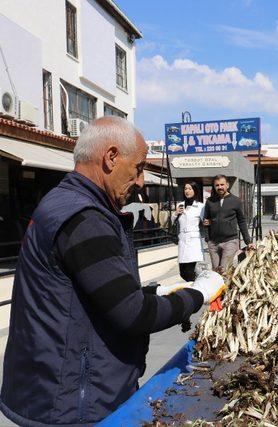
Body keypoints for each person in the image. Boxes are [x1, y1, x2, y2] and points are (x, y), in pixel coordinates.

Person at [0, 117, 227, 426]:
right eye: (138, 168)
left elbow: (88, 293)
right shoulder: (85, 219)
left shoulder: (59, 202)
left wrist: (154, 292)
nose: (141, 181)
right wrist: (197, 294)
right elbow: (133, 314)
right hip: (71, 404)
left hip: (46, 391)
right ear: (110, 158)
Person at [203, 174, 255, 270]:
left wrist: (248, 241)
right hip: (213, 243)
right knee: (215, 272)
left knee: (224, 270)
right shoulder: (210, 201)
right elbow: (206, 220)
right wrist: (208, 238)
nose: (220, 187)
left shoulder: (236, 201)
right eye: (217, 185)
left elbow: (242, 221)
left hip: (230, 241)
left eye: (222, 184)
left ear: (227, 185)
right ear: (214, 187)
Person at [173, 181, 206, 282]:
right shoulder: (180, 205)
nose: (187, 191)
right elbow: (171, 222)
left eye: (190, 189)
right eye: (185, 189)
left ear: (195, 191)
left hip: (194, 241)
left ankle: (195, 290)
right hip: (182, 240)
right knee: (183, 272)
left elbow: (205, 221)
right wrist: (175, 214)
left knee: (190, 271)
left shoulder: (200, 206)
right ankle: (198, 284)